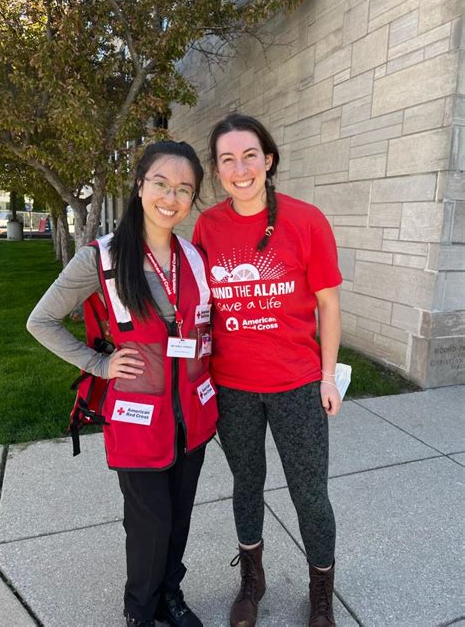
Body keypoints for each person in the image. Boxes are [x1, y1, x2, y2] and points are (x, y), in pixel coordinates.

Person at [27, 140, 218, 627]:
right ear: (139, 187)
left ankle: (169, 597)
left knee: (178, 518)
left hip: (190, 418)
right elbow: (41, 321)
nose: (170, 197)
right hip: (138, 419)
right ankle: (140, 611)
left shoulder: (194, 259)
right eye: (160, 183)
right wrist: (99, 365)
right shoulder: (103, 258)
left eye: (183, 189)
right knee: (148, 525)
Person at [192, 114, 342, 627]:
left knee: (310, 495)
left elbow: (329, 304)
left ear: (269, 159)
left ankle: (321, 587)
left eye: (249, 155)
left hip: (297, 385)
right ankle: (251, 580)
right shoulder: (208, 227)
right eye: (227, 159)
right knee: (246, 486)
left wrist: (326, 377)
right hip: (232, 388)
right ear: (217, 170)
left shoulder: (306, 220)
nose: (240, 168)